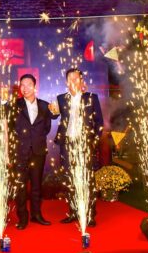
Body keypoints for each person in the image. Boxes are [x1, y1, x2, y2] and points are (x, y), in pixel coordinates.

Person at [50, 68, 104, 227]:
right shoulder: (61, 98)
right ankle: (73, 212)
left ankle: (90, 214)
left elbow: (99, 123)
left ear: (81, 80)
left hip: (85, 144)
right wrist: (53, 112)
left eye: (76, 78)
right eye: (70, 79)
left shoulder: (91, 98)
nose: (73, 81)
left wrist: (93, 142)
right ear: (66, 82)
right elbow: (54, 115)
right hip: (67, 144)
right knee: (70, 180)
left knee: (88, 180)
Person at [12, 73, 55, 230]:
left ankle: (36, 214)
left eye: (28, 85)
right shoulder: (15, 105)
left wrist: (36, 138)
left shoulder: (44, 106)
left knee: (37, 186)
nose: (25, 88)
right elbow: (9, 127)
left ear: (35, 86)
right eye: (22, 85)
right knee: (20, 187)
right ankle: (22, 217)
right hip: (19, 152)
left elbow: (47, 127)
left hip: (38, 151)